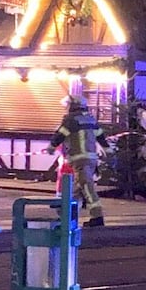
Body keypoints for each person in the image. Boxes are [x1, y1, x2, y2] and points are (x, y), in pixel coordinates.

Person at [50, 95, 110, 227]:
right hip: (90, 160)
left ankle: (97, 217)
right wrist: (108, 150)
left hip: (79, 160)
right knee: (76, 191)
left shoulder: (71, 120)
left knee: (87, 188)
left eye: (67, 106)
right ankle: (68, 218)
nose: (66, 109)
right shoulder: (90, 119)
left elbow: (60, 135)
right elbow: (100, 136)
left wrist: (51, 147)